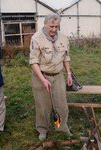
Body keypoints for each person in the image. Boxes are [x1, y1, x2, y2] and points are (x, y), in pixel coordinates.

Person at [29, 13, 73, 141]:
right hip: (41, 76)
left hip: (58, 76)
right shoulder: (36, 38)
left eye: (56, 26)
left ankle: (60, 126)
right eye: (51, 26)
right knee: (43, 106)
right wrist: (43, 80)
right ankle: (43, 129)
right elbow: (33, 61)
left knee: (61, 105)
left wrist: (68, 73)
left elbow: (66, 57)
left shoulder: (63, 38)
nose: (54, 29)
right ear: (45, 24)